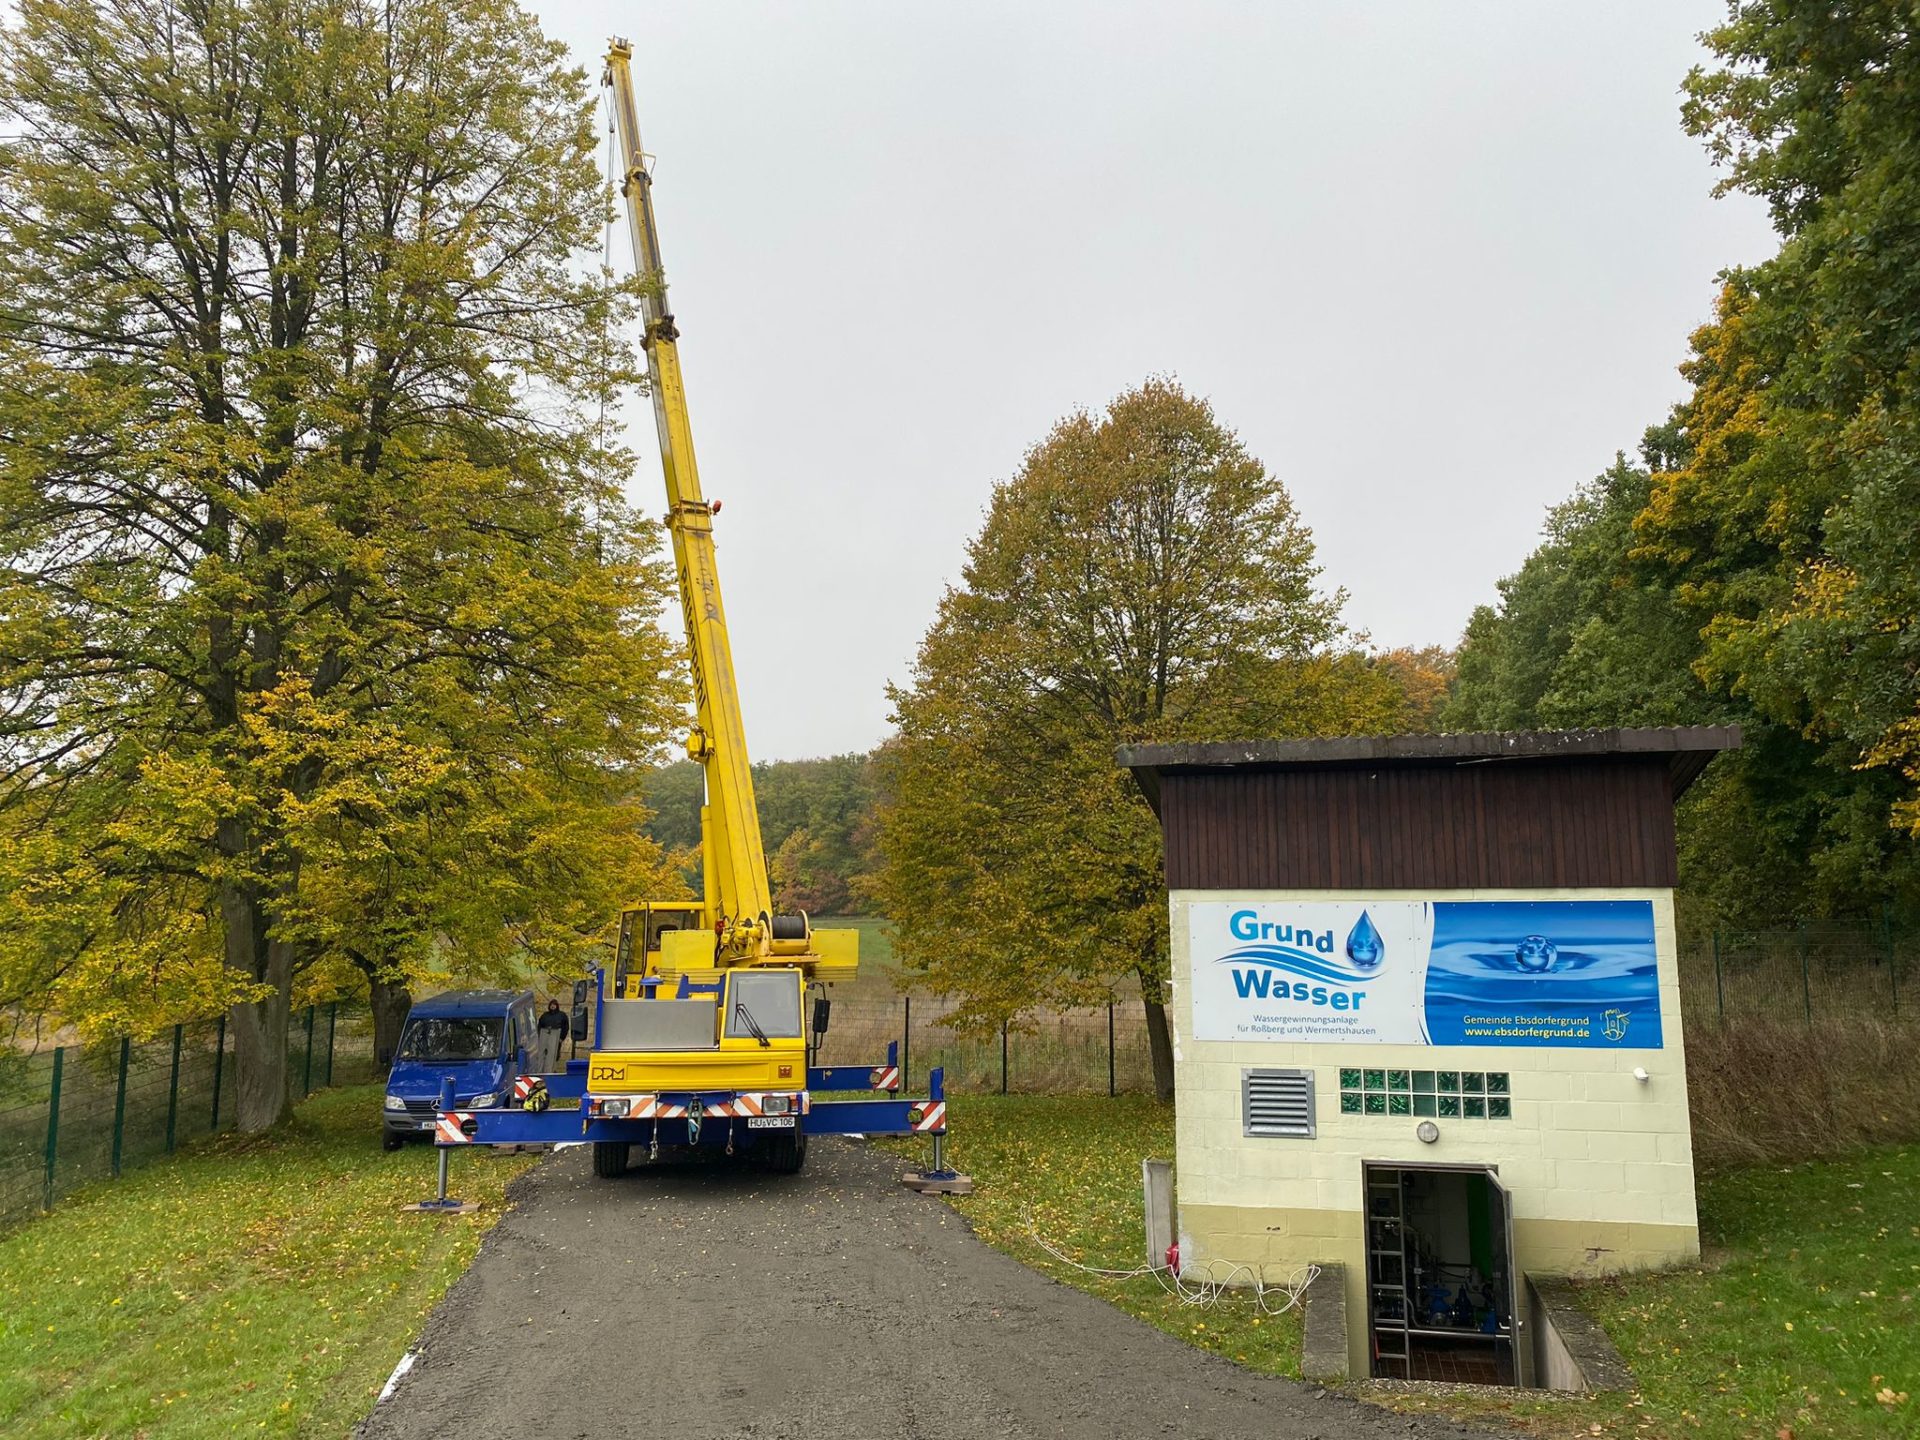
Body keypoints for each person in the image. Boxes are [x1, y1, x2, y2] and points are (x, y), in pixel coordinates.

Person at [535, 997, 569, 1072]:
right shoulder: (545, 1015)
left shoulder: (562, 1015)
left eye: (554, 1005)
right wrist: (539, 1035)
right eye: (551, 1005)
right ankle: (540, 1070)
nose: (553, 1006)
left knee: (553, 1054)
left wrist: (562, 1038)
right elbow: (540, 1025)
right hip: (544, 1035)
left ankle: (551, 1070)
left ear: (557, 1006)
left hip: (556, 1036)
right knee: (541, 1054)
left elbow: (565, 1027)